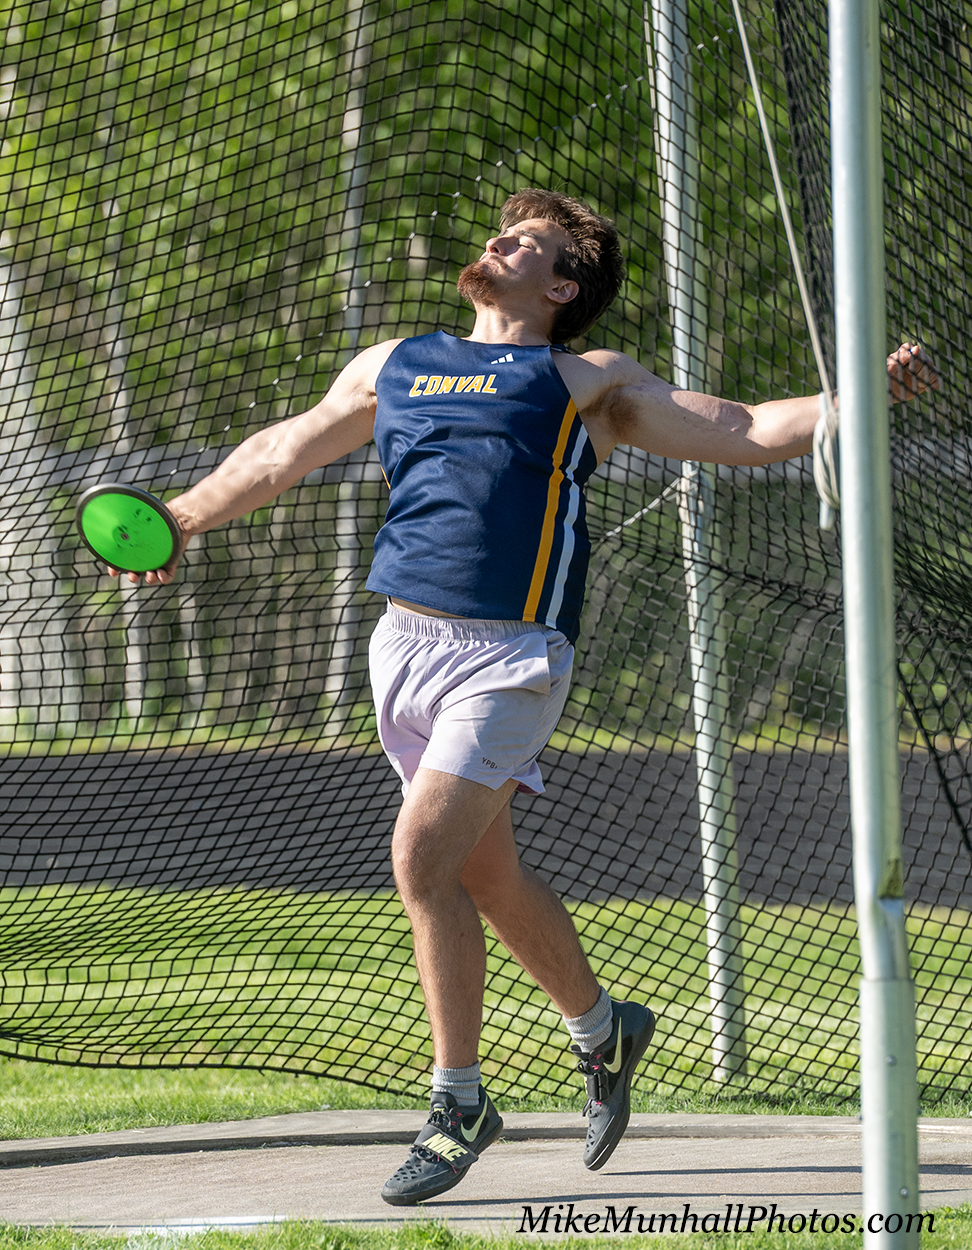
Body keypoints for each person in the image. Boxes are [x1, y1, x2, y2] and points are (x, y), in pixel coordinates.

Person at [110, 188, 938, 1206]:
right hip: (401, 648)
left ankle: (457, 1103)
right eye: (503, 231)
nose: (499, 240)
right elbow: (284, 449)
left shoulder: (587, 382)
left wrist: (864, 393)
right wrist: (182, 516)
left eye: (528, 242)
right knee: (487, 876)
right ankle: (604, 1028)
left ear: (561, 288)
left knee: (420, 856)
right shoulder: (394, 363)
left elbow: (751, 426)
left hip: (510, 658)